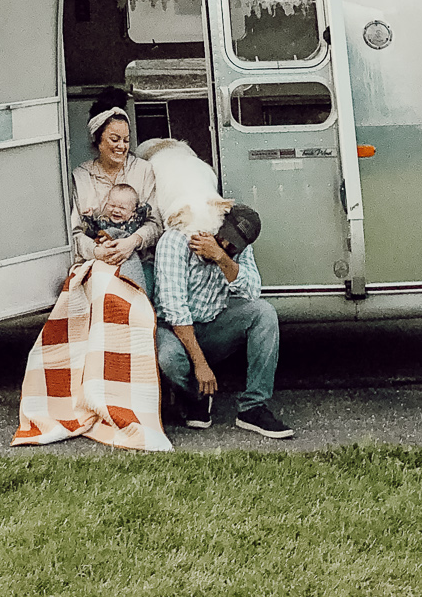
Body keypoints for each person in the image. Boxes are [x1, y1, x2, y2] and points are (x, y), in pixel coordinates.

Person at [152, 203, 293, 439]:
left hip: (213, 323)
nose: (227, 245)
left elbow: (252, 292)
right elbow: (175, 310)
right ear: (215, 223)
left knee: (264, 313)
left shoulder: (234, 248)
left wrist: (220, 257)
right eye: (223, 238)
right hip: (174, 330)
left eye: (233, 245)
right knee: (168, 358)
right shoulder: (176, 240)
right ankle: (195, 396)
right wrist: (201, 365)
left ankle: (253, 407)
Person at [71, 94, 162, 293]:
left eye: (126, 140)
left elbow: (155, 224)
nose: (121, 146)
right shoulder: (81, 176)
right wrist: (97, 251)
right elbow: (74, 233)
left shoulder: (143, 170)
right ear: (97, 139)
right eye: (114, 139)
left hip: (139, 257)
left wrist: (131, 242)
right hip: (96, 261)